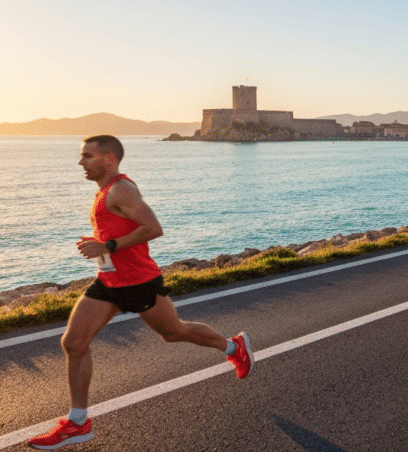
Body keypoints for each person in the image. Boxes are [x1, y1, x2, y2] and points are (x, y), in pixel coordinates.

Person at [28, 135, 254, 450]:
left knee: (174, 333)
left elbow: (153, 228)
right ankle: (78, 423)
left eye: (87, 156)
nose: (81, 162)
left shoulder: (121, 188)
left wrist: (105, 245)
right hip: (108, 282)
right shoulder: (106, 191)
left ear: (108, 159)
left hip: (138, 282)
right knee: (74, 343)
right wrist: (101, 244)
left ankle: (234, 348)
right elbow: (122, 228)